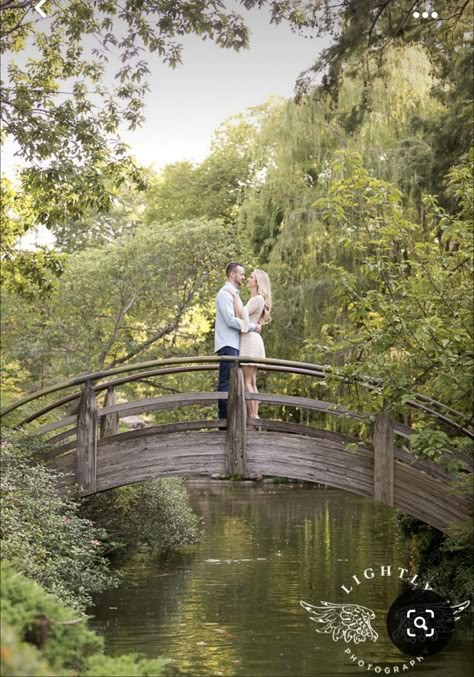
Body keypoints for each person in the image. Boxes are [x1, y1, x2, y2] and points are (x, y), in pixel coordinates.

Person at [214, 262, 261, 419]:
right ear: (233, 275)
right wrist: (253, 327)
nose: (243, 277)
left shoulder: (233, 294)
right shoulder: (225, 294)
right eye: (241, 274)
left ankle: (233, 421)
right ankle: (223, 423)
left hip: (234, 345)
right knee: (226, 385)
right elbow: (230, 321)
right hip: (228, 344)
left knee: (234, 385)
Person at [226, 269, 272, 420]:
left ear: (257, 282)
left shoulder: (256, 299)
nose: (248, 279)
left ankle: (252, 416)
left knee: (248, 381)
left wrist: (234, 296)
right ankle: (254, 415)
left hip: (250, 340)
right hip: (253, 339)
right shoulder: (258, 299)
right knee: (252, 381)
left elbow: (242, 315)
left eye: (251, 277)